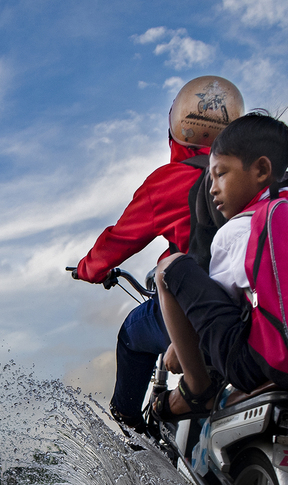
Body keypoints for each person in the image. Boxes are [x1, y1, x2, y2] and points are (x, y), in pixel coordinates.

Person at [73, 76, 244, 432]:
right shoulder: (255, 177)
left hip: (195, 309)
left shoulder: (170, 180)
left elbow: (118, 241)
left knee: (132, 334)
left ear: (175, 129)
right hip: (253, 309)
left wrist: (89, 269)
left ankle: (129, 429)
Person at [150, 112, 288, 420]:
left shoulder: (240, 229)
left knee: (169, 268)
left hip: (258, 363)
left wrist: (179, 346)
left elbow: (213, 308)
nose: (213, 188)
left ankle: (197, 391)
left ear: (261, 170)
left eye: (221, 174)